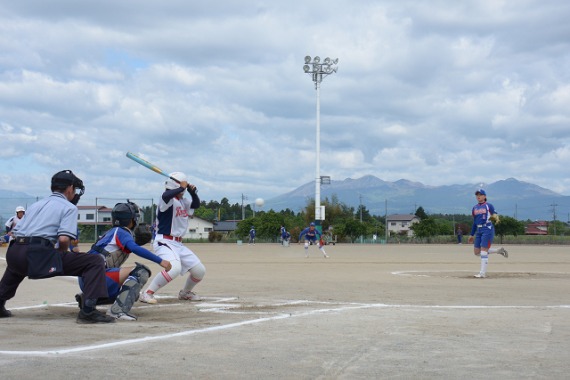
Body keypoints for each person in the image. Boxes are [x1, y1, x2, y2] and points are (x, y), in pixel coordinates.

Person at [0, 170, 114, 323]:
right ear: (69, 188)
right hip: (36, 253)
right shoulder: (69, 207)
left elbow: (16, 232)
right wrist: (61, 252)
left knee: (16, 269)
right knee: (94, 261)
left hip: (14, 251)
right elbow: (64, 238)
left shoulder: (35, 205)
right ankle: (88, 311)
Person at [76, 201, 172, 320]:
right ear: (131, 220)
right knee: (140, 273)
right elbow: (134, 248)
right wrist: (160, 261)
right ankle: (118, 311)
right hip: (97, 278)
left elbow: (121, 247)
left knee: (128, 288)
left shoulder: (110, 232)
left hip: (87, 280)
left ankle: (89, 299)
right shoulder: (122, 231)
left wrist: (135, 241)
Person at [139, 172, 205, 304]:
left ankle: (185, 293)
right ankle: (147, 293)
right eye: (182, 188)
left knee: (199, 271)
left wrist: (192, 192)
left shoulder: (183, 201)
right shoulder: (166, 199)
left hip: (178, 244)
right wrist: (181, 187)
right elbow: (166, 195)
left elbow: (196, 205)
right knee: (174, 268)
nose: (183, 191)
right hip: (164, 241)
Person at [468, 189, 509, 278]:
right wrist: (471, 234)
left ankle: (482, 273)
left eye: (480, 195)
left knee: (483, 251)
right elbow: (474, 222)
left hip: (487, 229)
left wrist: (496, 218)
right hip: (479, 230)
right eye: (477, 195)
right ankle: (498, 250)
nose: (478, 196)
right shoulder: (474, 208)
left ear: (485, 196)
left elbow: (494, 214)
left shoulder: (488, 206)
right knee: (477, 252)